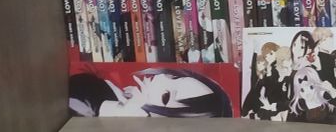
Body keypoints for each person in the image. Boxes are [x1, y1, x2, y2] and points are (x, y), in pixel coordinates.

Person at [68, 67, 233, 117]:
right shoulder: (101, 87)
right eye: (173, 77)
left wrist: (121, 112)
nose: (159, 80)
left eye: (166, 97)